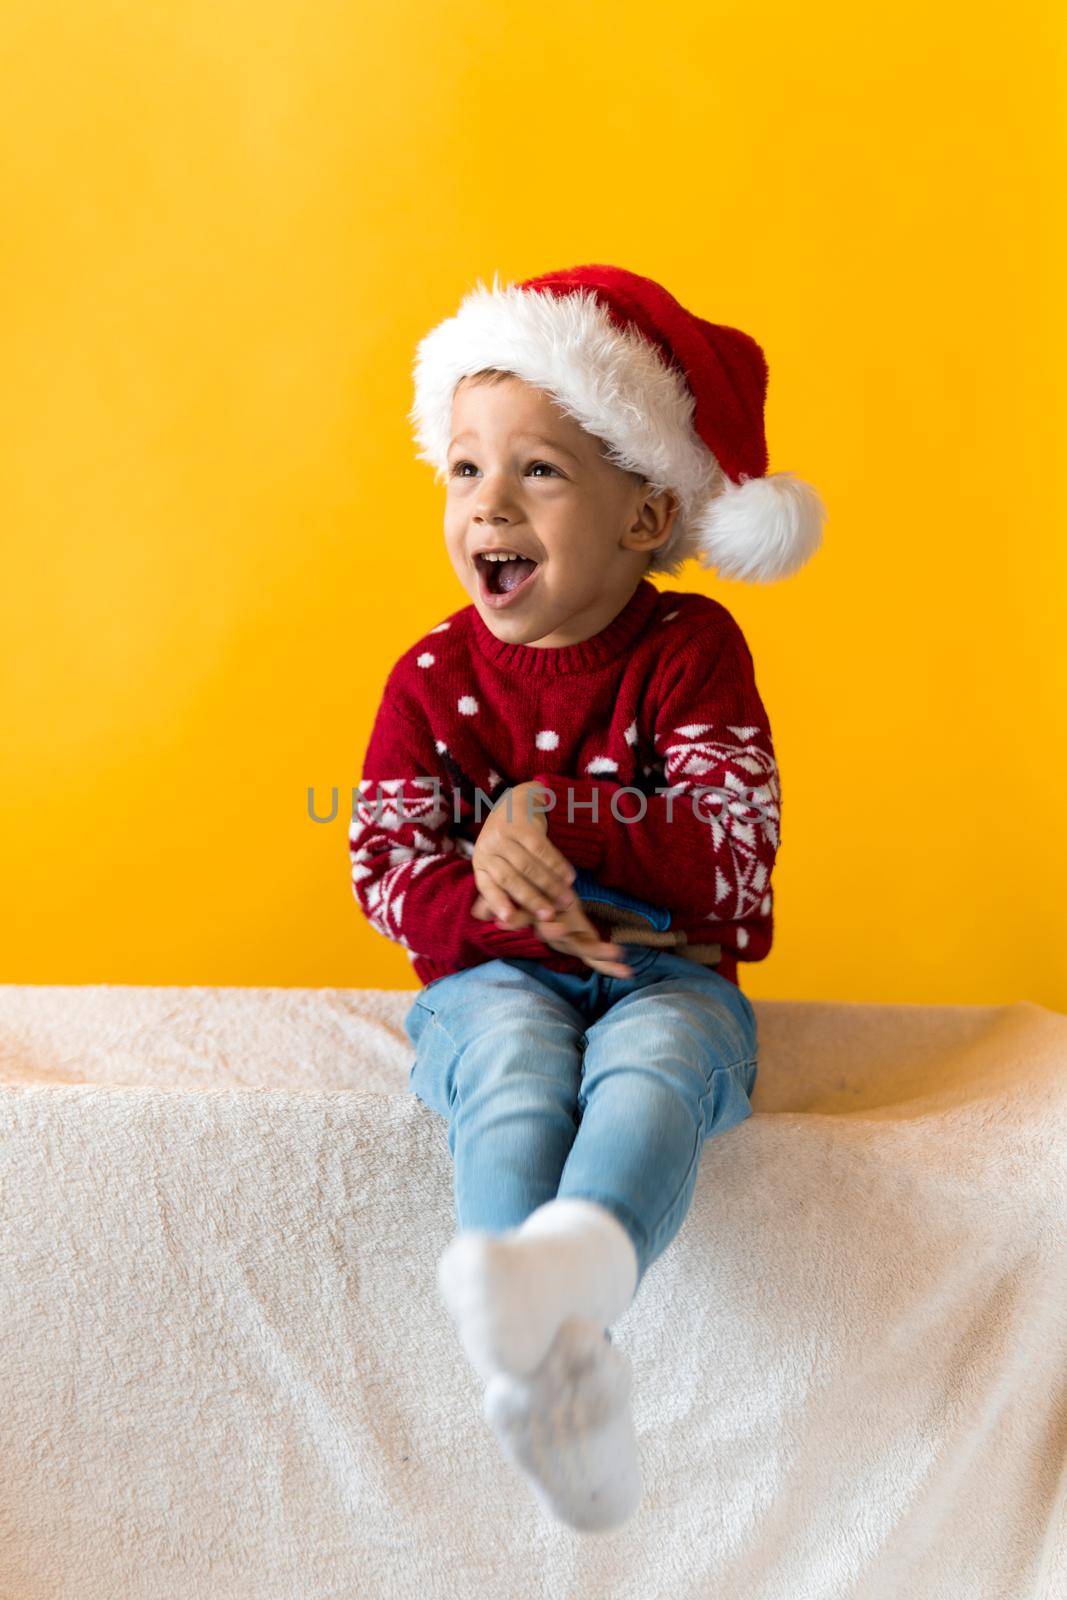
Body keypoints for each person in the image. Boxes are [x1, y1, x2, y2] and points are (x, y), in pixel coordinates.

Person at [349, 263, 826, 1531]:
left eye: (538, 471)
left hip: (662, 973)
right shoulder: (430, 680)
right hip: (491, 974)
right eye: (463, 470)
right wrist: (507, 904)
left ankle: (577, 1270)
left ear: (641, 513)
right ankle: (532, 1348)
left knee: (661, 1053)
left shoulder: (690, 656)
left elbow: (736, 862)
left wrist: (563, 817)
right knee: (507, 1050)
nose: (487, 502)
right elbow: (388, 868)